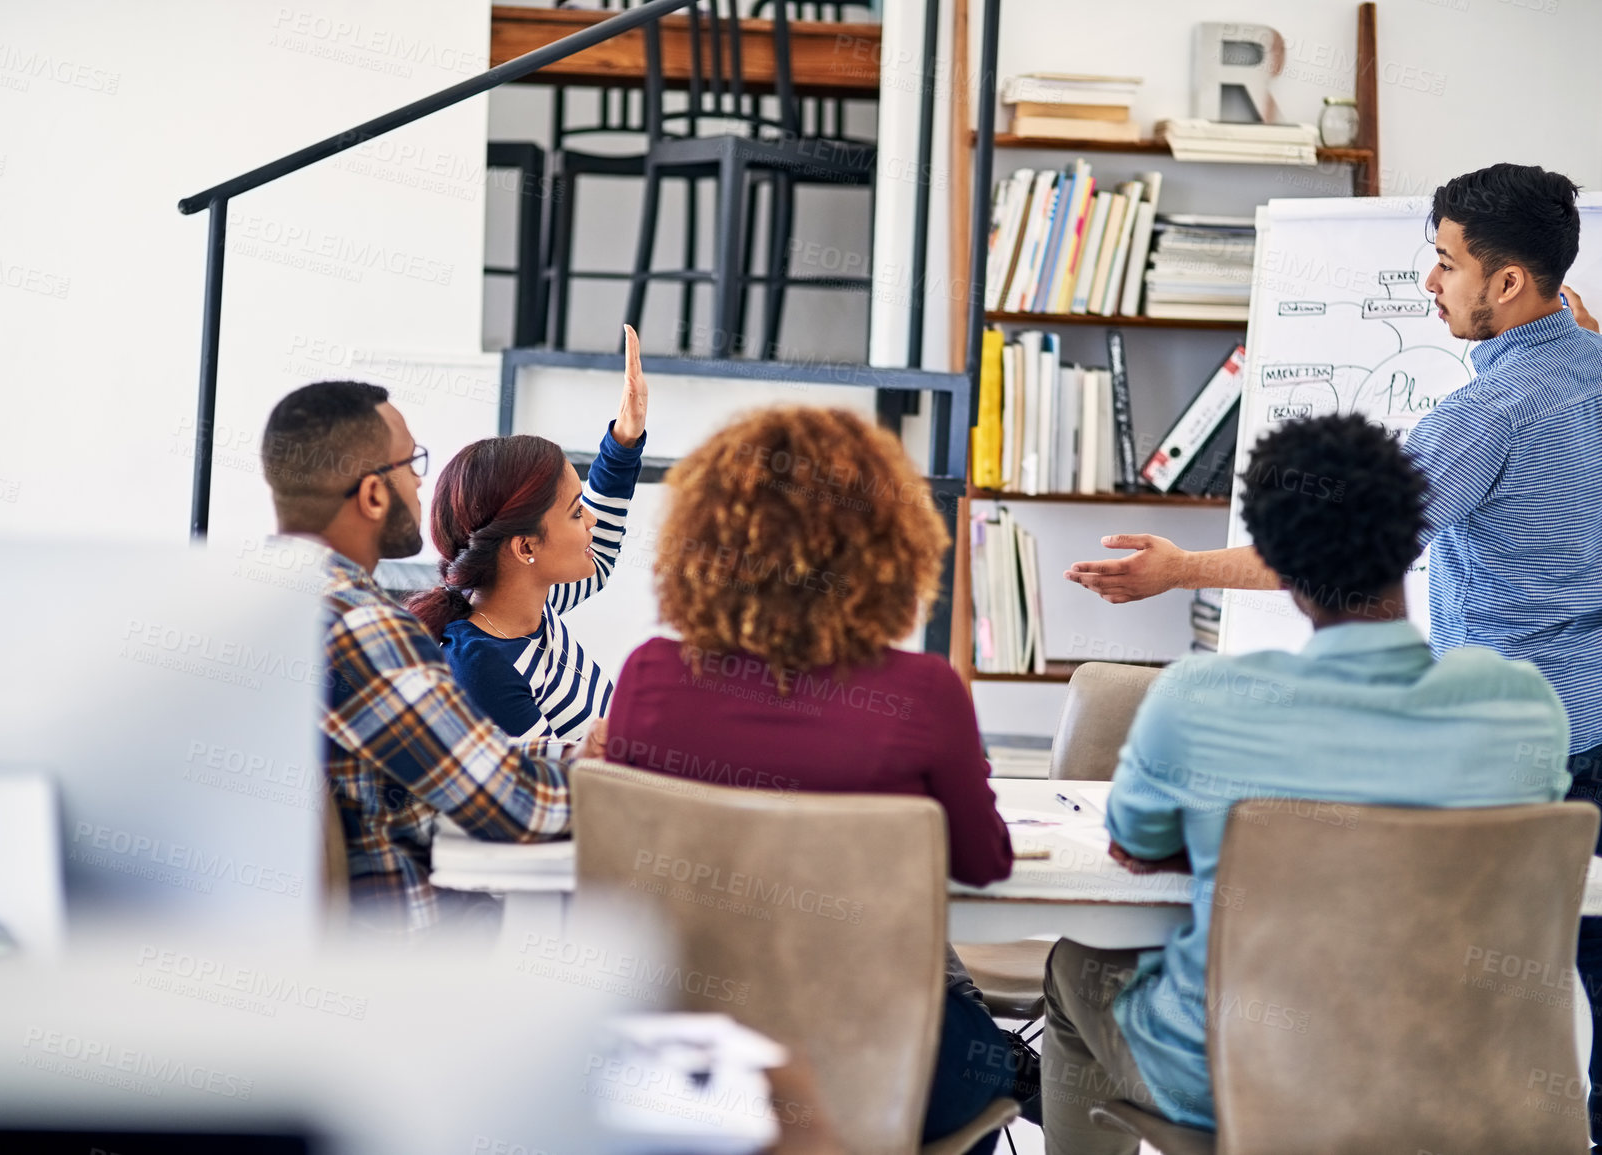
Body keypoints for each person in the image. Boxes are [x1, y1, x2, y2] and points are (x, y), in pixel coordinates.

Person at [1062, 162, 1602, 1133]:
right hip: (1565, 744)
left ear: (1510, 283)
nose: (1430, 284)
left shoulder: (1485, 415)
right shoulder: (1588, 366)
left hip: (1546, 737)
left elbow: (1347, 535)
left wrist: (1183, 569)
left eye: (1444, 264)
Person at [1041, 413, 1570, 1154]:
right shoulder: (1521, 705)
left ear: (1279, 562)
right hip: (1458, 1077)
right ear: (1414, 533)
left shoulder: (1199, 699)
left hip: (1245, 1083)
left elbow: (1132, 843)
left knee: (1075, 964)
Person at [603, 405, 1032, 1151]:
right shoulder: (923, 692)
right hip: (885, 1064)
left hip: (693, 1060)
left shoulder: (647, 678)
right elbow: (982, 863)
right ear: (885, 547)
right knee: (990, 1060)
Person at [260, 379, 574, 937]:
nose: (420, 480)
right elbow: (519, 807)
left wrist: (566, 752)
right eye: (412, 463)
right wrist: (626, 779)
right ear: (374, 495)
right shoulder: (363, 626)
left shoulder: (263, 602)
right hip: (410, 960)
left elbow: (434, 757)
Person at [408, 326, 648, 744]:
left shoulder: (526, 603)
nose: (590, 521)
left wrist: (624, 439)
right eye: (577, 513)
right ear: (525, 547)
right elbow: (553, 794)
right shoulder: (484, 669)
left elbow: (601, 553)